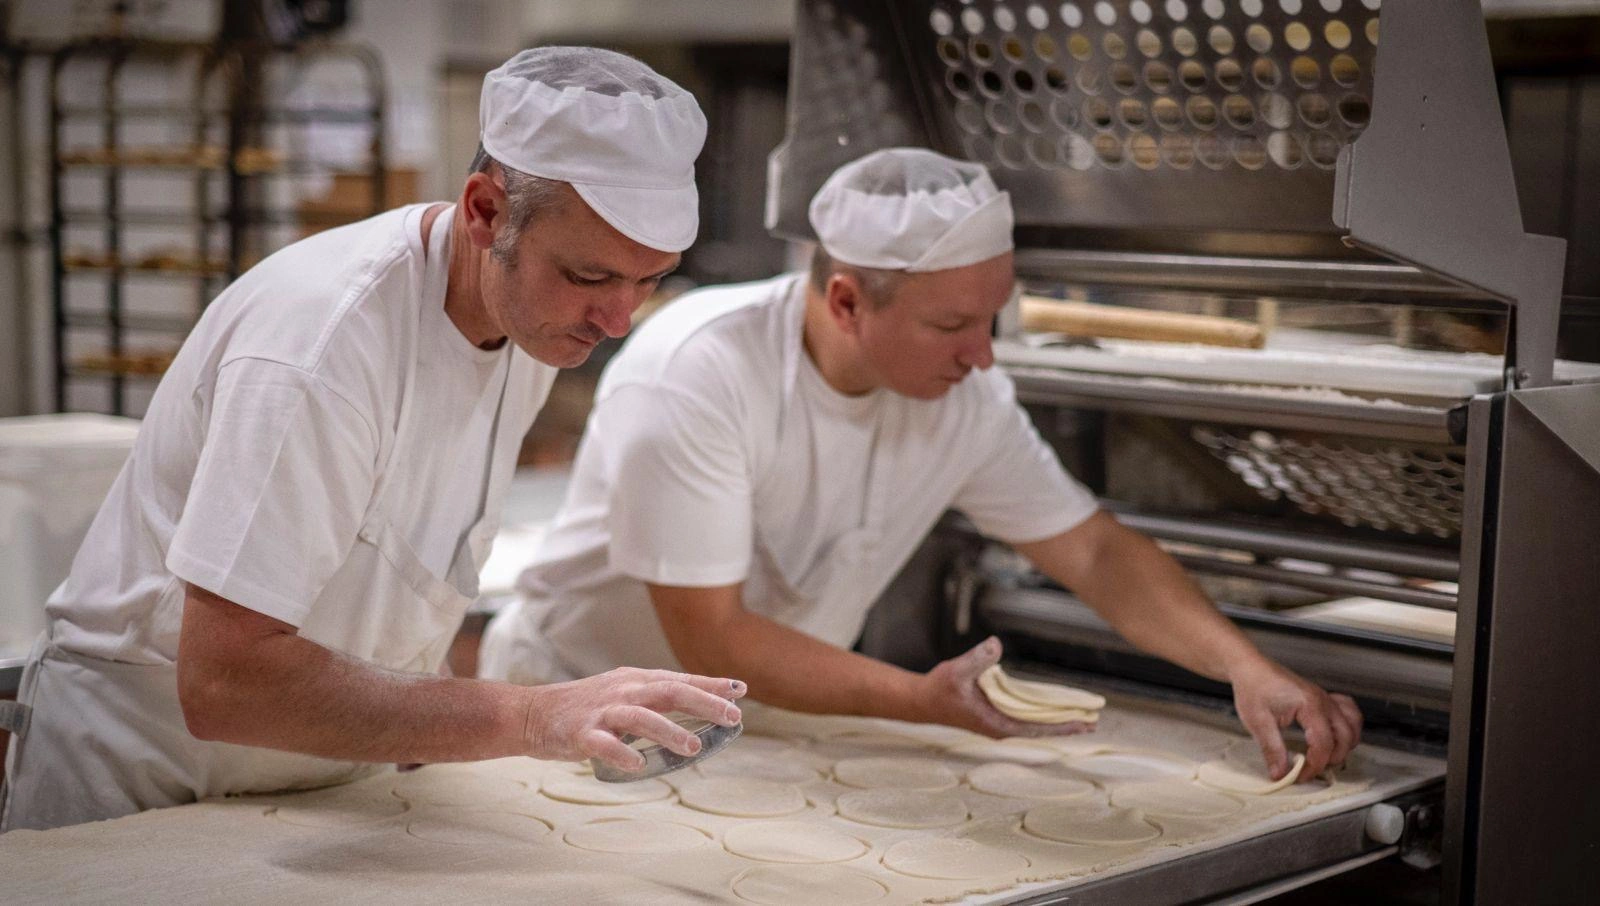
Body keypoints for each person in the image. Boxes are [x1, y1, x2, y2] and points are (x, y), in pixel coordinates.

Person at [0, 47, 745, 834]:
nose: (618, 321)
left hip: (320, 792)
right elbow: (226, 681)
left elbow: (403, 572)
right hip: (148, 790)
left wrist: (424, 735)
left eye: (650, 280)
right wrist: (530, 717)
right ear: (486, 211)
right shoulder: (321, 348)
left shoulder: (528, 322)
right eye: (592, 278)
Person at [479, 147, 1362, 780]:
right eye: (951, 325)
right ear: (847, 300)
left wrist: (1244, 666)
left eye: (993, 320)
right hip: (572, 710)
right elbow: (714, 636)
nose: (983, 355)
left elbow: (1092, 552)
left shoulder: (963, 396)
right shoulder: (701, 369)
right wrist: (923, 699)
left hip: (763, 724)